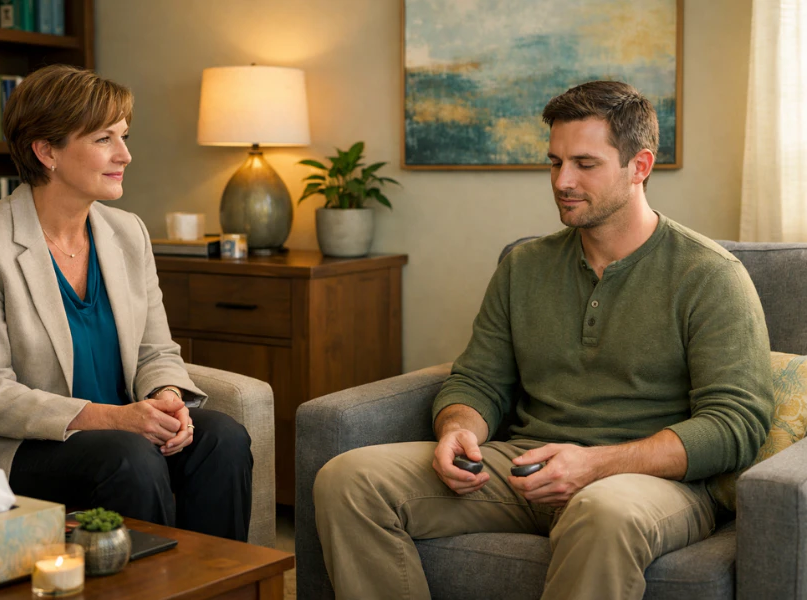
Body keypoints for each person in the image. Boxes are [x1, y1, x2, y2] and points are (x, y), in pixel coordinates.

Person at [313, 81, 773, 599]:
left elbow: (736, 424)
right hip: (524, 466)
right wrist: (458, 429)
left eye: (585, 164)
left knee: (603, 511)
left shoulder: (709, 275)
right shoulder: (525, 266)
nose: (562, 181)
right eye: (555, 163)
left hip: (650, 486)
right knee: (347, 478)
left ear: (639, 166)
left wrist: (596, 464)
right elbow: (478, 379)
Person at [0, 64, 253, 541]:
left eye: (123, 136)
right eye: (104, 139)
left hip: (122, 433)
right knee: (130, 456)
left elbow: (155, 352)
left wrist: (167, 399)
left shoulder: (128, 232)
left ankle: (222, 579)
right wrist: (116, 418)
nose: (125, 154)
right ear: (46, 151)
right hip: (22, 444)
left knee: (221, 437)